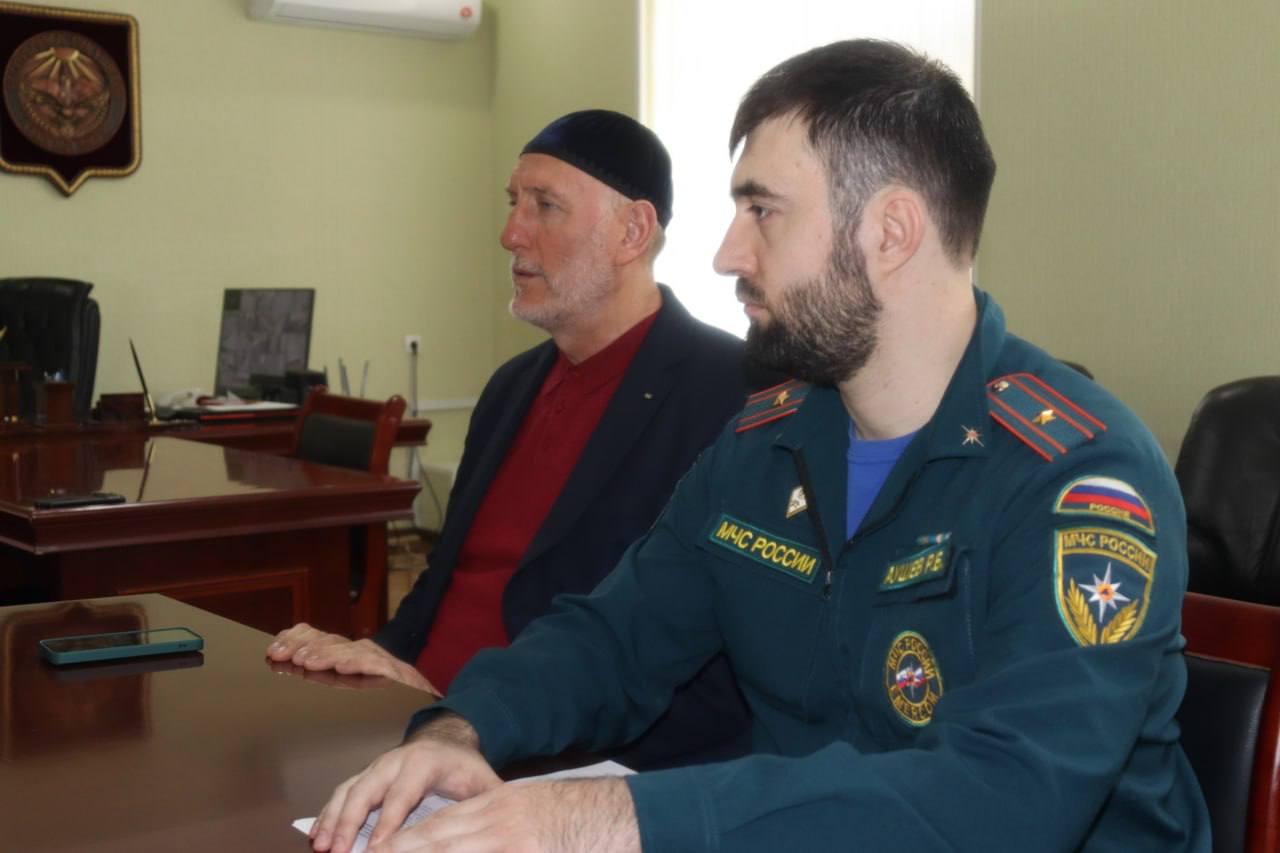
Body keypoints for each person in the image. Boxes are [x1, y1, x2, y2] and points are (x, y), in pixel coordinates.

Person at [308, 41, 1211, 853]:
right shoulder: (765, 439)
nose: (726, 253)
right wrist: (460, 730)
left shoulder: (1079, 476)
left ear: (891, 233)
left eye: (763, 211)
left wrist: (608, 818)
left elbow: (1002, 799)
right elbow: (617, 636)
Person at [268, 109, 753, 769]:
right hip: (414, 720)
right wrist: (378, 657)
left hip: (550, 753)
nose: (509, 234)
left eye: (544, 206)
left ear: (632, 231)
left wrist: (466, 715)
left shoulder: (732, 394)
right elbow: (449, 575)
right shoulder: (512, 387)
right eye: (512, 203)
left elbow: (690, 661)